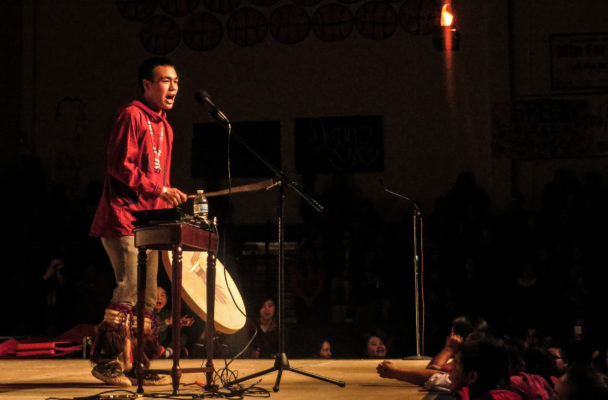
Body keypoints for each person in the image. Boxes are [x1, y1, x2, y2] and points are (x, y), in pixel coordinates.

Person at [89, 57, 187, 386]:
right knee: (128, 290)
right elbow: (120, 166)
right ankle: (107, 362)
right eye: (165, 81)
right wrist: (160, 188)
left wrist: (168, 201)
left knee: (147, 299)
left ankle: (136, 363)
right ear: (146, 85)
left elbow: (161, 182)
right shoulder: (131, 115)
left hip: (149, 223)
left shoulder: (166, 127)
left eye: (175, 81)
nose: (173, 87)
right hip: (122, 217)